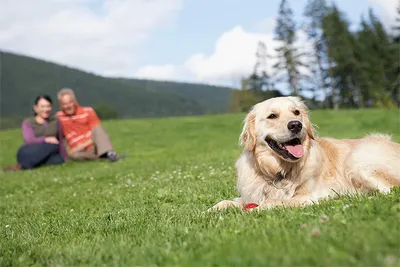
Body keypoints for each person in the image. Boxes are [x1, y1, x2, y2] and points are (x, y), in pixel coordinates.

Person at [56, 88, 125, 162]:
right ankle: (107, 156)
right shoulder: (59, 117)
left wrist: (82, 145)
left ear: (75, 102)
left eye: (70, 102)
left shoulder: (88, 111)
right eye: (64, 104)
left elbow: (98, 133)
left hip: (94, 145)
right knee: (74, 155)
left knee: (98, 128)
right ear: (61, 106)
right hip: (79, 151)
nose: (68, 106)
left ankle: (108, 153)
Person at [3, 95, 67, 171]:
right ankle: (26, 164)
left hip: (50, 151)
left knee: (58, 159)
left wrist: (65, 157)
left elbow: (60, 139)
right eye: (42, 107)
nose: (46, 109)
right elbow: (29, 140)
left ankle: (26, 165)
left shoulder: (55, 120)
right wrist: (45, 139)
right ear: (36, 108)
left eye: (48, 106)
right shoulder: (28, 122)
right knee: (53, 144)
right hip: (30, 150)